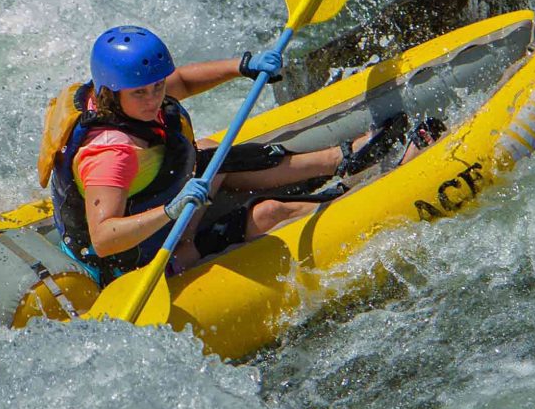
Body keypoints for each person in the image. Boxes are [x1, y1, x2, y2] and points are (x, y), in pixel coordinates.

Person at [38, 25, 411, 285]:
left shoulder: (116, 92)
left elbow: (180, 82)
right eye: (142, 93)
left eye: (156, 88)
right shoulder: (112, 155)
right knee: (268, 213)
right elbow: (105, 238)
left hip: (157, 209)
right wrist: (170, 211)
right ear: (112, 92)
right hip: (143, 260)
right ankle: (356, 197)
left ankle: (340, 159)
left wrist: (242, 66)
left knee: (207, 155)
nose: (154, 99)